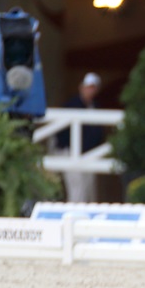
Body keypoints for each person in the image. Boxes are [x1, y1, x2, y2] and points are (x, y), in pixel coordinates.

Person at [55, 72, 105, 203]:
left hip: (89, 154)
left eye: (93, 87)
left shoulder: (96, 107)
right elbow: (61, 131)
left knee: (89, 189)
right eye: (88, 86)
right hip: (70, 152)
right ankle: (72, 217)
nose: (90, 90)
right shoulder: (72, 104)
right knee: (77, 188)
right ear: (81, 87)